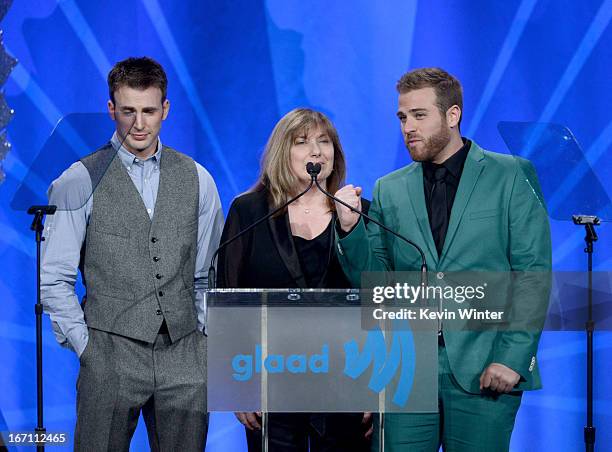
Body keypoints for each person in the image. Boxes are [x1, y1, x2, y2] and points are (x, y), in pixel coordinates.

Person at [334, 68, 551, 451]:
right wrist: (351, 230)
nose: (407, 128)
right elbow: (377, 284)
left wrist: (513, 358)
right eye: (402, 117)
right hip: (407, 372)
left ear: (453, 116)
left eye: (419, 115)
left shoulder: (511, 175)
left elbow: (532, 273)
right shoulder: (390, 188)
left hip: (486, 367)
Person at [41, 56, 224, 451]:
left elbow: (208, 274)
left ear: (165, 110)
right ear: (111, 109)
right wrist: (87, 347)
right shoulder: (78, 179)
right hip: (109, 353)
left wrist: (203, 342)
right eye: (128, 111)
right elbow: (54, 277)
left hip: (184, 356)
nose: (139, 124)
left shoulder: (198, 179)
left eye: (148, 111)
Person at [217, 108, 371, 451]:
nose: (316, 151)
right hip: (271, 389)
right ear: (281, 153)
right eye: (302, 142)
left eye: (324, 142)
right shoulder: (249, 212)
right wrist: (237, 383)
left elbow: (377, 306)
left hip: (346, 387)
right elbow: (229, 299)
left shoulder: (361, 214)